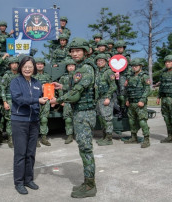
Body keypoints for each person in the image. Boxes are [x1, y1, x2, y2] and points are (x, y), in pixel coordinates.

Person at [50, 38, 97, 198]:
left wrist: (58, 99)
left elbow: (76, 94)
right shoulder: (80, 69)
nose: (75, 53)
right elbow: (79, 88)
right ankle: (88, 182)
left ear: (85, 51)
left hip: (84, 113)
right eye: (73, 51)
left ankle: (90, 186)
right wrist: (62, 87)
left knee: (85, 149)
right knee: (84, 149)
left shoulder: (86, 69)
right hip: (81, 112)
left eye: (78, 50)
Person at [10, 56, 48, 195]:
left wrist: (48, 92)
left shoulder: (37, 83)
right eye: (25, 66)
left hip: (34, 121)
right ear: (21, 68)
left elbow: (43, 98)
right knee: (20, 153)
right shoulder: (16, 82)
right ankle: (19, 182)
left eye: (30, 66)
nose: (27, 69)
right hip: (19, 121)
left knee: (31, 153)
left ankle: (28, 179)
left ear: (34, 68)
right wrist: (36, 100)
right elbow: (18, 99)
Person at [124, 58, 151, 148]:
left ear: (141, 66)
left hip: (140, 103)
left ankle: (146, 139)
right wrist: (127, 99)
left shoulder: (144, 76)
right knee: (131, 121)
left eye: (136, 66)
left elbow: (148, 89)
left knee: (142, 121)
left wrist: (142, 100)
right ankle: (133, 138)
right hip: (131, 102)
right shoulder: (130, 76)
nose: (134, 68)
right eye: (133, 66)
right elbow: (128, 89)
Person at [94, 54, 117, 146]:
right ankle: (104, 136)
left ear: (106, 62)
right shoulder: (98, 73)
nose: (99, 62)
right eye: (98, 61)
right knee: (101, 118)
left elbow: (113, 86)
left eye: (102, 61)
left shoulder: (109, 72)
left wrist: (108, 97)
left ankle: (109, 139)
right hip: (99, 99)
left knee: (107, 119)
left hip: (105, 98)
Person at [1, 57, 19, 148]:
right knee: (10, 120)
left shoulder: (21, 75)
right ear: (10, 65)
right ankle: (10, 139)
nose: (14, 65)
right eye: (12, 63)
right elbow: (3, 89)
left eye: (16, 63)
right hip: (10, 100)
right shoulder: (6, 76)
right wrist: (5, 102)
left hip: (20, 101)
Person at [33, 57, 52, 146]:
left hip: (46, 99)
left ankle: (44, 138)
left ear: (44, 65)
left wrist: (52, 99)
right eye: (38, 64)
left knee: (44, 119)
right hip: (35, 100)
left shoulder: (47, 76)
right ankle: (35, 140)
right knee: (35, 120)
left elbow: (51, 88)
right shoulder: (32, 76)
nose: (40, 65)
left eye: (41, 64)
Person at [58, 59, 76, 144]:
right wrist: (61, 99)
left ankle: (78, 134)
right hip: (67, 100)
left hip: (77, 100)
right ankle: (69, 135)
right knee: (68, 119)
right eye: (69, 66)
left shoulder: (79, 76)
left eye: (72, 66)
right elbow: (60, 90)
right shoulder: (63, 77)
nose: (71, 67)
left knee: (78, 118)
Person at [113, 40, 131, 117]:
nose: (119, 49)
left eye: (120, 48)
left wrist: (127, 78)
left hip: (123, 76)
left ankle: (124, 110)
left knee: (123, 94)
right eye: (118, 48)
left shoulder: (126, 56)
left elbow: (129, 68)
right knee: (115, 93)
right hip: (115, 76)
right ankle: (118, 109)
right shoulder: (114, 56)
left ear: (123, 48)